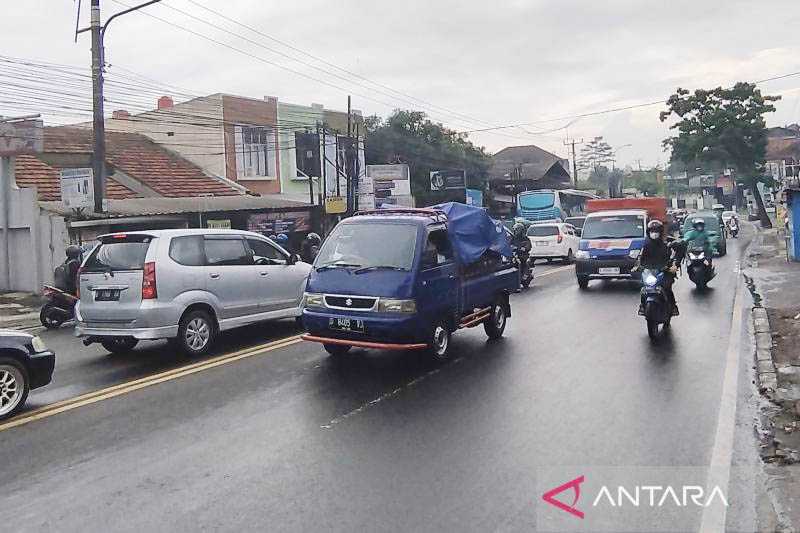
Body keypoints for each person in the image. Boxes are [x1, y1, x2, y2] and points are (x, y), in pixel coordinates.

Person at [637, 220, 680, 315]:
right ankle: (643, 306)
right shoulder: (646, 246)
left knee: (667, 288)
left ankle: (673, 307)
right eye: (652, 231)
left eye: (656, 231)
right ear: (649, 232)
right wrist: (638, 266)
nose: (654, 234)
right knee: (643, 289)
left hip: (664, 272)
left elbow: (672, 258)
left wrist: (672, 266)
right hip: (651, 272)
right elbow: (641, 259)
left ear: (660, 232)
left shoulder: (666, 245)